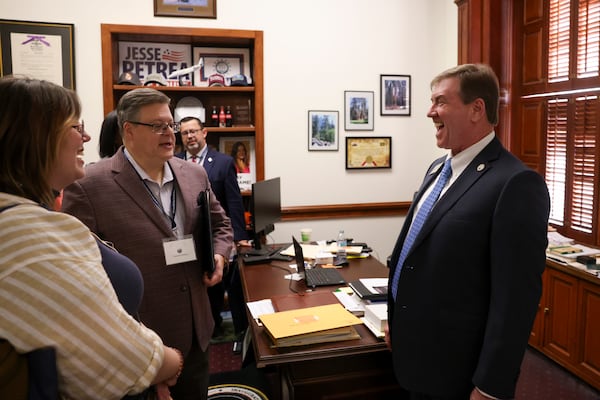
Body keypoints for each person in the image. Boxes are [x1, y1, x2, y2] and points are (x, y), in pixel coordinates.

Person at [0, 76, 183, 399]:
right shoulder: (27, 233)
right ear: (36, 139)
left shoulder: (192, 172)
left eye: (171, 125)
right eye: (74, 126)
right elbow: (111, 360)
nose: (85, 136)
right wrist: (169, 362)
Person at [386, 64, 550, 400]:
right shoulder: (438, 168)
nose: (430, 111)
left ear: (477, 109)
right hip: (416, 355)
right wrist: (396, 319)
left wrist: (491, 386)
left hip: (458, 372)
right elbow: (418, 254)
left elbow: (515, 300)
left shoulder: (515, 183)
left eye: (440, 102)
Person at [62, 87, 233, 400]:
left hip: (196, 330)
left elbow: (221, 224)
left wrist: (220, 256)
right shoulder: (88, 185)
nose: (169, 133)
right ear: (128, 130)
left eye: (171, 124)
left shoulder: (194, 173)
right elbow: (80, 276)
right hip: (137, 341)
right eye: (157, 126)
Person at [175, 115, 250, 337]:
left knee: (216, 284)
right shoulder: (173, 161)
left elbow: (234, 202)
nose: (190, 136)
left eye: (193, 131)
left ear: (204, 132)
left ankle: (215, 326)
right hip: (185, 237)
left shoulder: (223, 162)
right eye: (185, 133)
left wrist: (239, 236)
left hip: (215, 236)